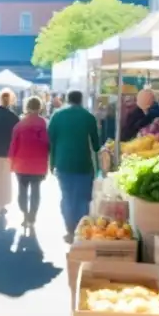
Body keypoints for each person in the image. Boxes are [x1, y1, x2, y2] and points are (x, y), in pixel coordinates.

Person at [48, 90, 100, 240]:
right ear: (81, 100)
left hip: (63, 163)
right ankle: (81, 229)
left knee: (67, 196)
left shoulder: (57, 116)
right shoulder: (88, 117)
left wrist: (51, 164)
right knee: (83, 197)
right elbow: (96, 144)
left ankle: (70, 228)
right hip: (83, 163)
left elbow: (50, 140)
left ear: (67, 99)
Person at [8, 96, 50, 229]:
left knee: (22, 190)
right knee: (36, 191)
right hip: (39, 163)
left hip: (21, 163)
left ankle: (24, 214)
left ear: (27, 107)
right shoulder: (44, 124)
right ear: (40, 107)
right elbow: (48, 144)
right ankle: (32, 216)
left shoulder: (19, 125)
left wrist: (11, 162)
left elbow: (13, 145)